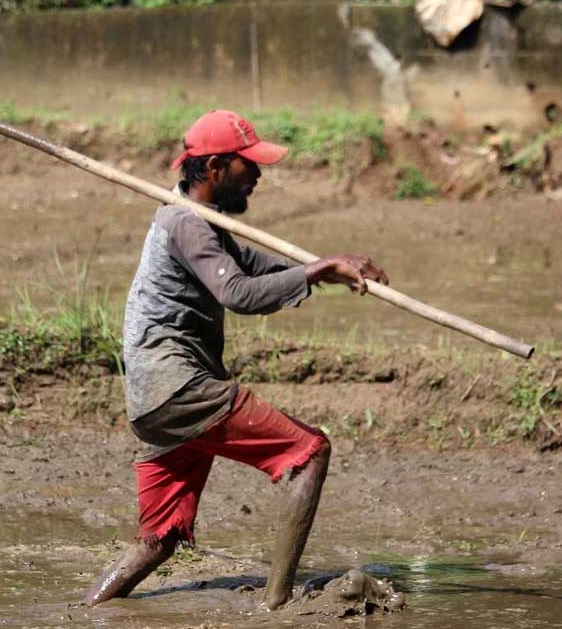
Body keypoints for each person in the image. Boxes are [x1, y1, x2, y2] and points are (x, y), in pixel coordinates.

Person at [83, 109, 388, 611]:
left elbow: (253, 267)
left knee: (158, 540)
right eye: (250, 165)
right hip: (181, 387)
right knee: (310, 453)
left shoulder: (200, 222)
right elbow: (239, 293)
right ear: (216, 167)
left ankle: (84, 612)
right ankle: (277, 604)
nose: (259, 175)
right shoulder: (184, 222)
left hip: (153, 402)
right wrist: (316, 271)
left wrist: (327, 269)